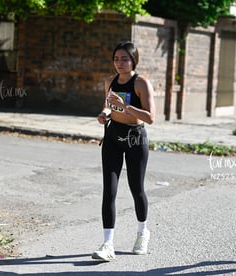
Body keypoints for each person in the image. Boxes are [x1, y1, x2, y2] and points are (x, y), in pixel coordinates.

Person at [92, 41, 156, 261]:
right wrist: (104, 114)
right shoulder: (109, 81)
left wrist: (125, 106)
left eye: (125, 59)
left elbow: (150, 117)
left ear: (133, 60)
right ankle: (108, 244)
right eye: (116, 59)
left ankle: (142, 233)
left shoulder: (141, 83)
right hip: (112, 137)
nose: (120, 63)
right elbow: (108, 106)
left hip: (135, 138)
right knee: (109, 191)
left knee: (136, 188)